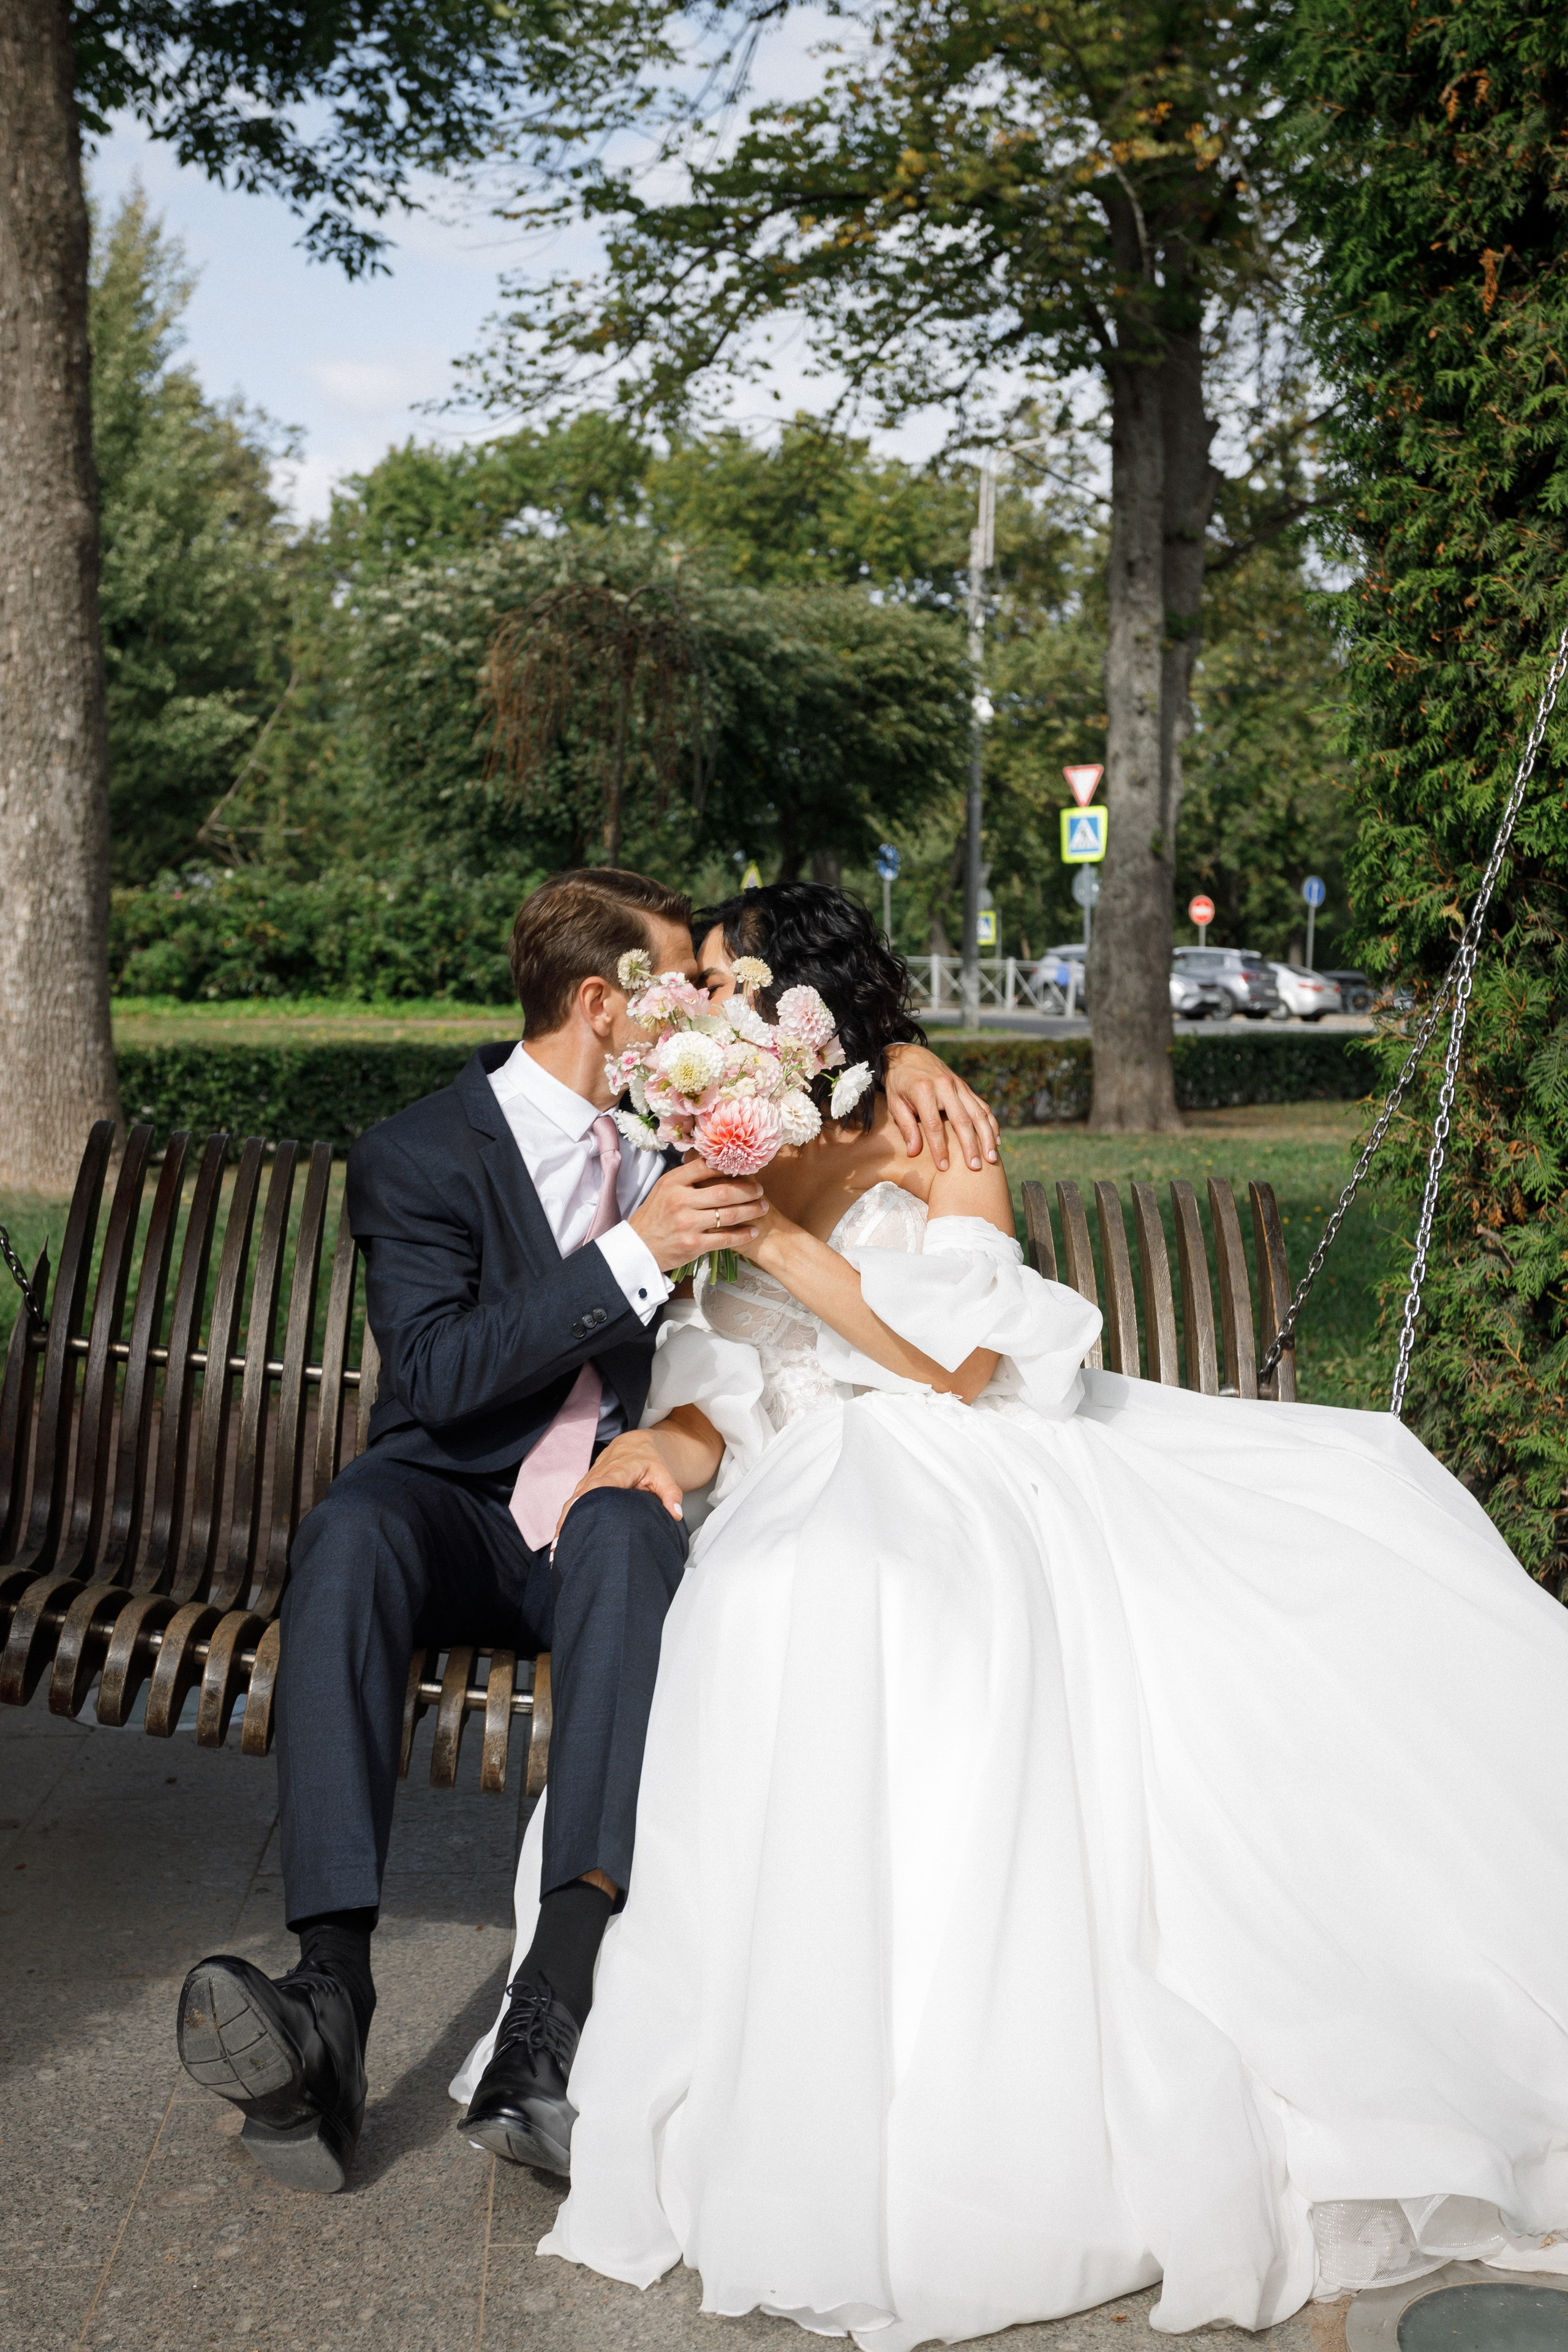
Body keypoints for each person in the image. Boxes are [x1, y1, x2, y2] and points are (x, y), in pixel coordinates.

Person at [454, 880, 1568, 2347]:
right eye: (701, 993)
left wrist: (793, 1250)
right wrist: (673, 1443)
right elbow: (724, 1378)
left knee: (872, 1585)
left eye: (728, 986)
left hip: (976, 1446)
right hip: (807, 1464)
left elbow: (969, 1365)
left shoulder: (934, 1134)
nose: (705, 1012)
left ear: (805, 1006)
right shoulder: (728, 1143)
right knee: (782, 1587)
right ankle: (769, 2049)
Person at [173, 866, 1000, 2195]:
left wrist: (898, 1044)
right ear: (605, 1006)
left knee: (626, 1530)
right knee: (347, 1534)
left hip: (613, 1500)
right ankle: (327, 1996)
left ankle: (546, 2025)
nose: (696, 1009)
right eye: (673, 986)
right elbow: (434, 1379)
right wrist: (632, 1255)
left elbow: (818, 1054)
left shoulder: (699, 1126)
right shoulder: (419, 1150)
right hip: (450, 1501)